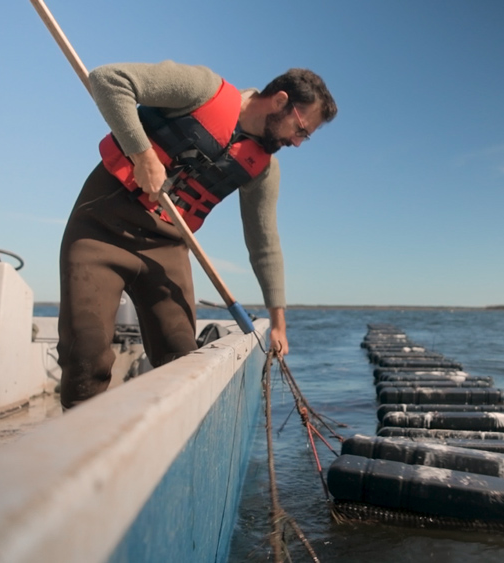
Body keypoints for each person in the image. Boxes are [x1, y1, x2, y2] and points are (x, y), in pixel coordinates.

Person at [57, 60, 337, 409]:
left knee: (181, 356)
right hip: (102, 226)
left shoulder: (264, 169)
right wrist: (142, 154)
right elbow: (108, 80)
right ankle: (80, 447)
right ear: (280, 101)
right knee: (85, 353)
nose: (298, 142)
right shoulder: (202, 88)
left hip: (167, 245)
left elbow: (264, 245)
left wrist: (279, 324)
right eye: (302, 130)